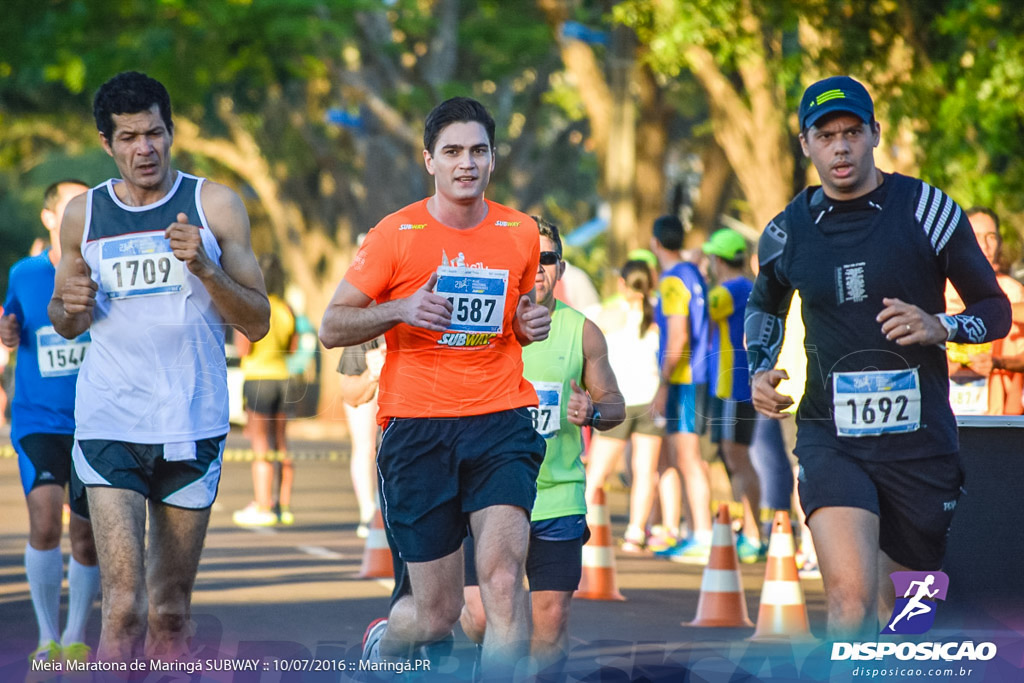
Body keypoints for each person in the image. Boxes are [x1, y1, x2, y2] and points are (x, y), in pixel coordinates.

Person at [745, 75, 1010, 638]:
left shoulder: (928, 209)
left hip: (921, 448)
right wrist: (759, 369)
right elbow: (763, 304)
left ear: (874, 135)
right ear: (805, 145)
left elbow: (995, 308)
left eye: (852, 132)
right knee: (849, 602)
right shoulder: (787, 230)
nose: (840, 147)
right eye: (825, 135)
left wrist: (942, 326)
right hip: (829, 438)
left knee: (909, 620)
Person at [318, 96, 551, 677]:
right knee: (437, 614)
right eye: (452, 152)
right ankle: (386, 642)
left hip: (500, 421)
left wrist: (526, 324)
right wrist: (400, 308)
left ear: (493, 159)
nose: (465, 163)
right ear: (430, 161)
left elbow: (515, 320)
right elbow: (331, 325)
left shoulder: (519, 232)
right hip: (417, 430)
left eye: (477, 151)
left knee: (501, 583)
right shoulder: (396, 234)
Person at [47, 71, 270, 661]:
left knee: (170, 612)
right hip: (110, 422)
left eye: (153, 133)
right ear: (106, 142)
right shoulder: (83, 214)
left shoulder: (214, 204)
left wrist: (207, 270)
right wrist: (71, 307)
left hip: (191, 423)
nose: (143, 149)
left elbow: (259, 320)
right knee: (124, 609)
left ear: (171, 132)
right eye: (127, 137)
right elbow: (65, 317)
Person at [461, 217, 624, 677]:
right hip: (489, 495)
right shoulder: (485, 325)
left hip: (556, 496)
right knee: (479, 616)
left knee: (549, 626)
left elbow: (615, 405)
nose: (536, 267)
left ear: (561, 267)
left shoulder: (582, 331)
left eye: (546, 258)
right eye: (527, 257)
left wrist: (590, 410)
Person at [1, 179, 100, 664]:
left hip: (97, 422)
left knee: (85, 534)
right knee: (44, 522)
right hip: (38, 419)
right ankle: (46, 638)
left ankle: (76, 633)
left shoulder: (103, 268)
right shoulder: (24, 272)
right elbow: (11, 325)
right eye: (71, 205)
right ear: (48, 218)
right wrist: (7, 329)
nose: (83, 211)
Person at [584, 259, 664, 552]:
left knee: (597, 472)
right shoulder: (659, 313)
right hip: (651, 399)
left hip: (616, 401)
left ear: (622, 283)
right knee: (645, 471)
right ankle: (635, 533)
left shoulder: (608, 313)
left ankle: (581, 529)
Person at [648, 215, 714, 564]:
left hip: (685, 378)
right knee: (689, 458)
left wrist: (663, 382)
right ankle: (696, 531)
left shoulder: (673, 280)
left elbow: (678, 334)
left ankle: (702, 533)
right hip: (697, 375)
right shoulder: (693, 273)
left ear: (656, 242)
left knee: (687, 458)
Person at [703, 228, 764, 562]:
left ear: (717, 259)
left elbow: (697, 312)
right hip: (734, 384)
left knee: (737, 457)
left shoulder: (731, 289)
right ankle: (749, 528)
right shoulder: (746, 287)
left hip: (732, 386)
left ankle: (754, 533)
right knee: (734, 458)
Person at [233, 253, 298, 526]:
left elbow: (243, 349)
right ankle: (283, 505)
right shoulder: (287, 309)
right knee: (281, 444)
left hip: (258, 379)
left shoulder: (254, 308)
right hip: (284, 378)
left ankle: (262, 505)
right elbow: (292, 348)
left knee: (261, 444)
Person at [945, 207, 1024, 415]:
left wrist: (998, 363)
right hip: (943, 414)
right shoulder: (938, 287)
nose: (986, 246)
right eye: (976, 236)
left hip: (995, 415)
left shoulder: (1012, 291)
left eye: (991, 237)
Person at [337, 336, 385, 537]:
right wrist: (372, 374)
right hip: (369, 382)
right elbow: (351, 393)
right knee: (365, 446)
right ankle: (369, 513)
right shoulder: (368, 325)